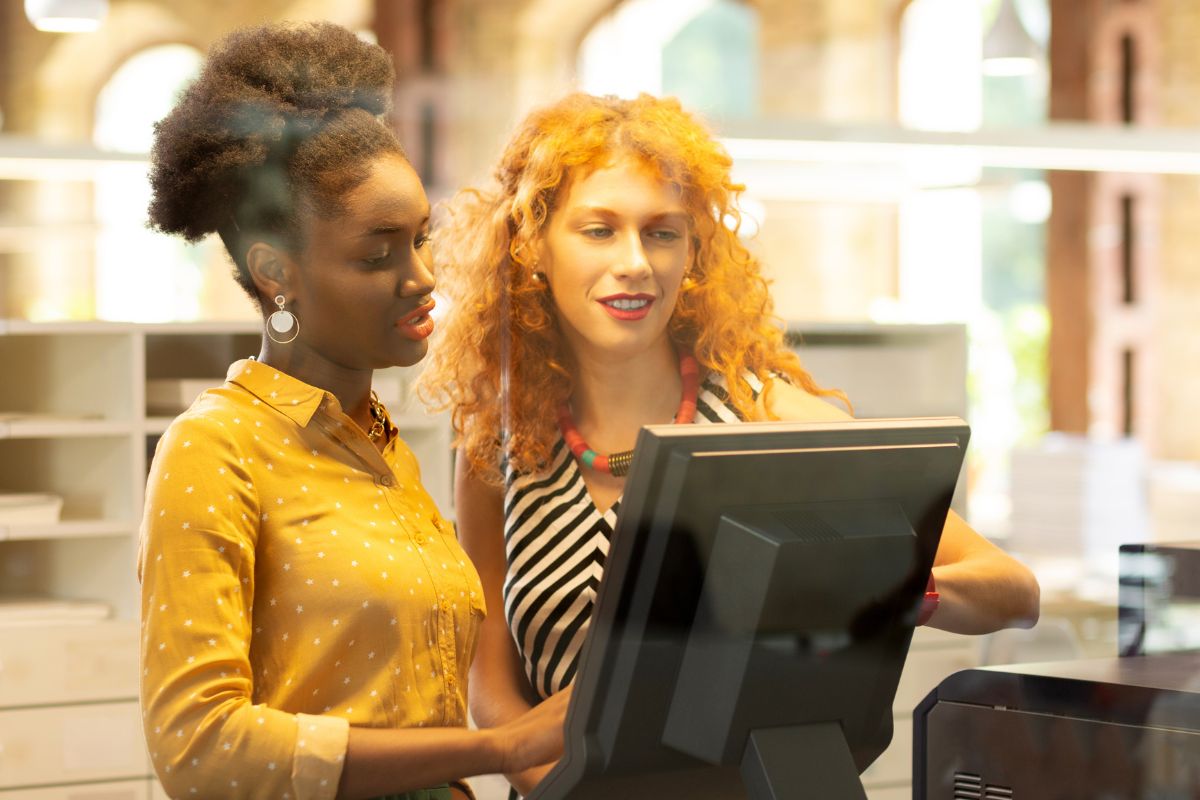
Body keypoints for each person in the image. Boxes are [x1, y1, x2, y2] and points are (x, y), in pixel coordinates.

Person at [419, 92, 1042, 796]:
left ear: (693, 252)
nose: (635, 262)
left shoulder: (768, 419)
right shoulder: (496, 447)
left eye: (662, 233)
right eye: (599, 230)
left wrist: (892, 589)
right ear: (532, 243)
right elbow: (492, 691)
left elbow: (1012, 592)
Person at [138, 22, 564, 800]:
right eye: (378, 253)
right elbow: (197, 749)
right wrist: (500, 747)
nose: (422, 276)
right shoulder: (216, 449)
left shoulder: (385, 450)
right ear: (276, 274)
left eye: (422, 240)